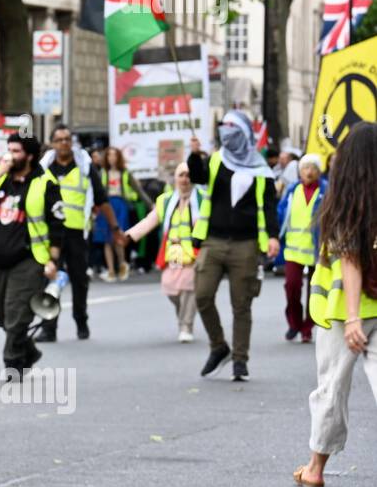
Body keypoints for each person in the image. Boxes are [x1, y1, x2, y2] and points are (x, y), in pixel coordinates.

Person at [292, 122, 377, 487]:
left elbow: (350, 261)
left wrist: (354, 317)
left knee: (330, 389)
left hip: (344, 314)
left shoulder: (343, 203)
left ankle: (315, 467)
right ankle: (313, 466)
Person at [187, 110, 280, 381]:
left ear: (243, 132)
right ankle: (219, 347)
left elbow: (270, 206)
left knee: (241, 305)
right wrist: (194, 155)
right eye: (222, 127)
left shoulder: (260, 168)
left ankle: (240, 359)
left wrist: (273, 236)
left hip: (246, 244)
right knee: (202, 295)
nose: (225, 131)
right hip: (213, 240)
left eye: (231, 127)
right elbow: (198, 177)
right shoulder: (216, 160)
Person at [0, 132, 65, 375]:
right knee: (0, 314)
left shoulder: (45, 182)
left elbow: (58, 225)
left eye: (17, 151)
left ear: (30, 155)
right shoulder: (1, 177)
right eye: (9, 150)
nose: (11, 156)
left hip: (28, 259)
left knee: (17, 314)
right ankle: (28, 350)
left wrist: (53, 260)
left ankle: (12, 363)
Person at [39, 124, 122, 341]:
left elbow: (102, 199)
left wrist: (114, 227)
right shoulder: (44, 168)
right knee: (51, 280)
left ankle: (81, 320)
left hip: (77, 233)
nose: (64, 143)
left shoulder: (85, 167)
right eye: (59, 140)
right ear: (52, 143)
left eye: (67, 139)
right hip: (51, 235)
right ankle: (49, 328)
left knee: (79, 280)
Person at [125, 162, 204, 342]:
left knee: (189, 288)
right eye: (181, 175)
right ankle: (183, 319)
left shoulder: (203, 199)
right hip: (174, 251)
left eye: (188, 175)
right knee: (172, 290)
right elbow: (148, 221)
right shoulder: (166, 200)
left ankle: (186, 326)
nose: (185, 179)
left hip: (196, 251)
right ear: (176, 178)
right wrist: (128, 236)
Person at [279, 153, 325, 344]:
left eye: (313, 168)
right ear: (300, 171)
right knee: (292, 287)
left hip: (318, 251)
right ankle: (294, 323)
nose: (308, 171)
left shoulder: (326, 191)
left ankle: (307, 327)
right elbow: (281, 213)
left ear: (318, 171)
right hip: (293, 249)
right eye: (305, 168)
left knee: (315, 293)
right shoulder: (292, 190)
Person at [97, 146, 146, 281]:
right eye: (109, 155)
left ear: (118, 157)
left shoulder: (124, 173)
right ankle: (111, 270)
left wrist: (150, 204)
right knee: (106, 239)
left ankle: (122, 264)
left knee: (119, 238)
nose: (112, 158)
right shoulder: (102, 173)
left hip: (120, 205)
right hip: (106, 205)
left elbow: (138, 190)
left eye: (114, 155)